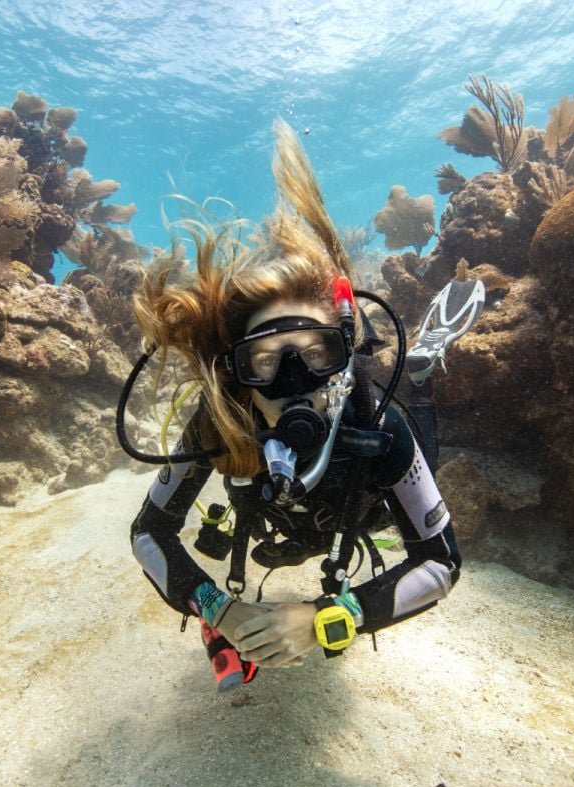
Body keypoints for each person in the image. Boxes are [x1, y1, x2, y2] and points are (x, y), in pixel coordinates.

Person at [127, 120, 461, 682]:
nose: (294, 381)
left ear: (345, 354)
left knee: (424, 441)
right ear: (238, 375)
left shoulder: (377, 428)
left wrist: (329, 618)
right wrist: (219, 607)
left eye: (314, 353)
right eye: (266, 362)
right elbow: (148, 532)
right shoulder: (220, 423)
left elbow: (441, 560)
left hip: (362, 503)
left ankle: (422, 374)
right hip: (281, 516)